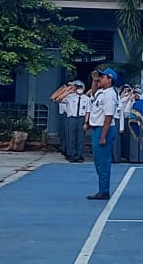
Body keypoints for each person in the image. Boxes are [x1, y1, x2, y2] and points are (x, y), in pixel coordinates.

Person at [86, 68, 120, 199]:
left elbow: (108, 116)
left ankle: (104, 190)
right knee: (98, 161)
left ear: (110, 79)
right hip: (97, 128)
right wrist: (94, 80)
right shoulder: (102, 92)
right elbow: (93, 94)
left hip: (103, 128)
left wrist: (103, 136)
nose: (100, 78)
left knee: (103, 162)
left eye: (103, 77)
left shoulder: (110, 94)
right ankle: (102, 188)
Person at [50, 80, 84, 162]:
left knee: (78, 138)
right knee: (69, 137)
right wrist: (65, 89)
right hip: (68, 116)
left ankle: (77, 154)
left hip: (77, 117)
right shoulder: (68, 96)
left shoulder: (82, 97)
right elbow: (54, 98)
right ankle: (69, 152)